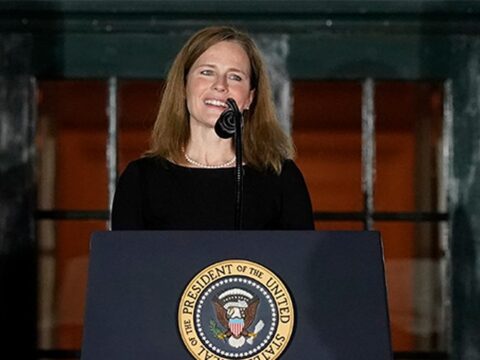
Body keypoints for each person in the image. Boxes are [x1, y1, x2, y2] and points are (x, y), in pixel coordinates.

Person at [111, 26, 314, 230]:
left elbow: (299, 260)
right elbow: (124, 259)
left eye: (235, 76)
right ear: (183, 86)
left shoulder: (281, 178)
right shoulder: (141, 180)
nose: (220, 85)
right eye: (207, 72)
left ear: (250, 98)